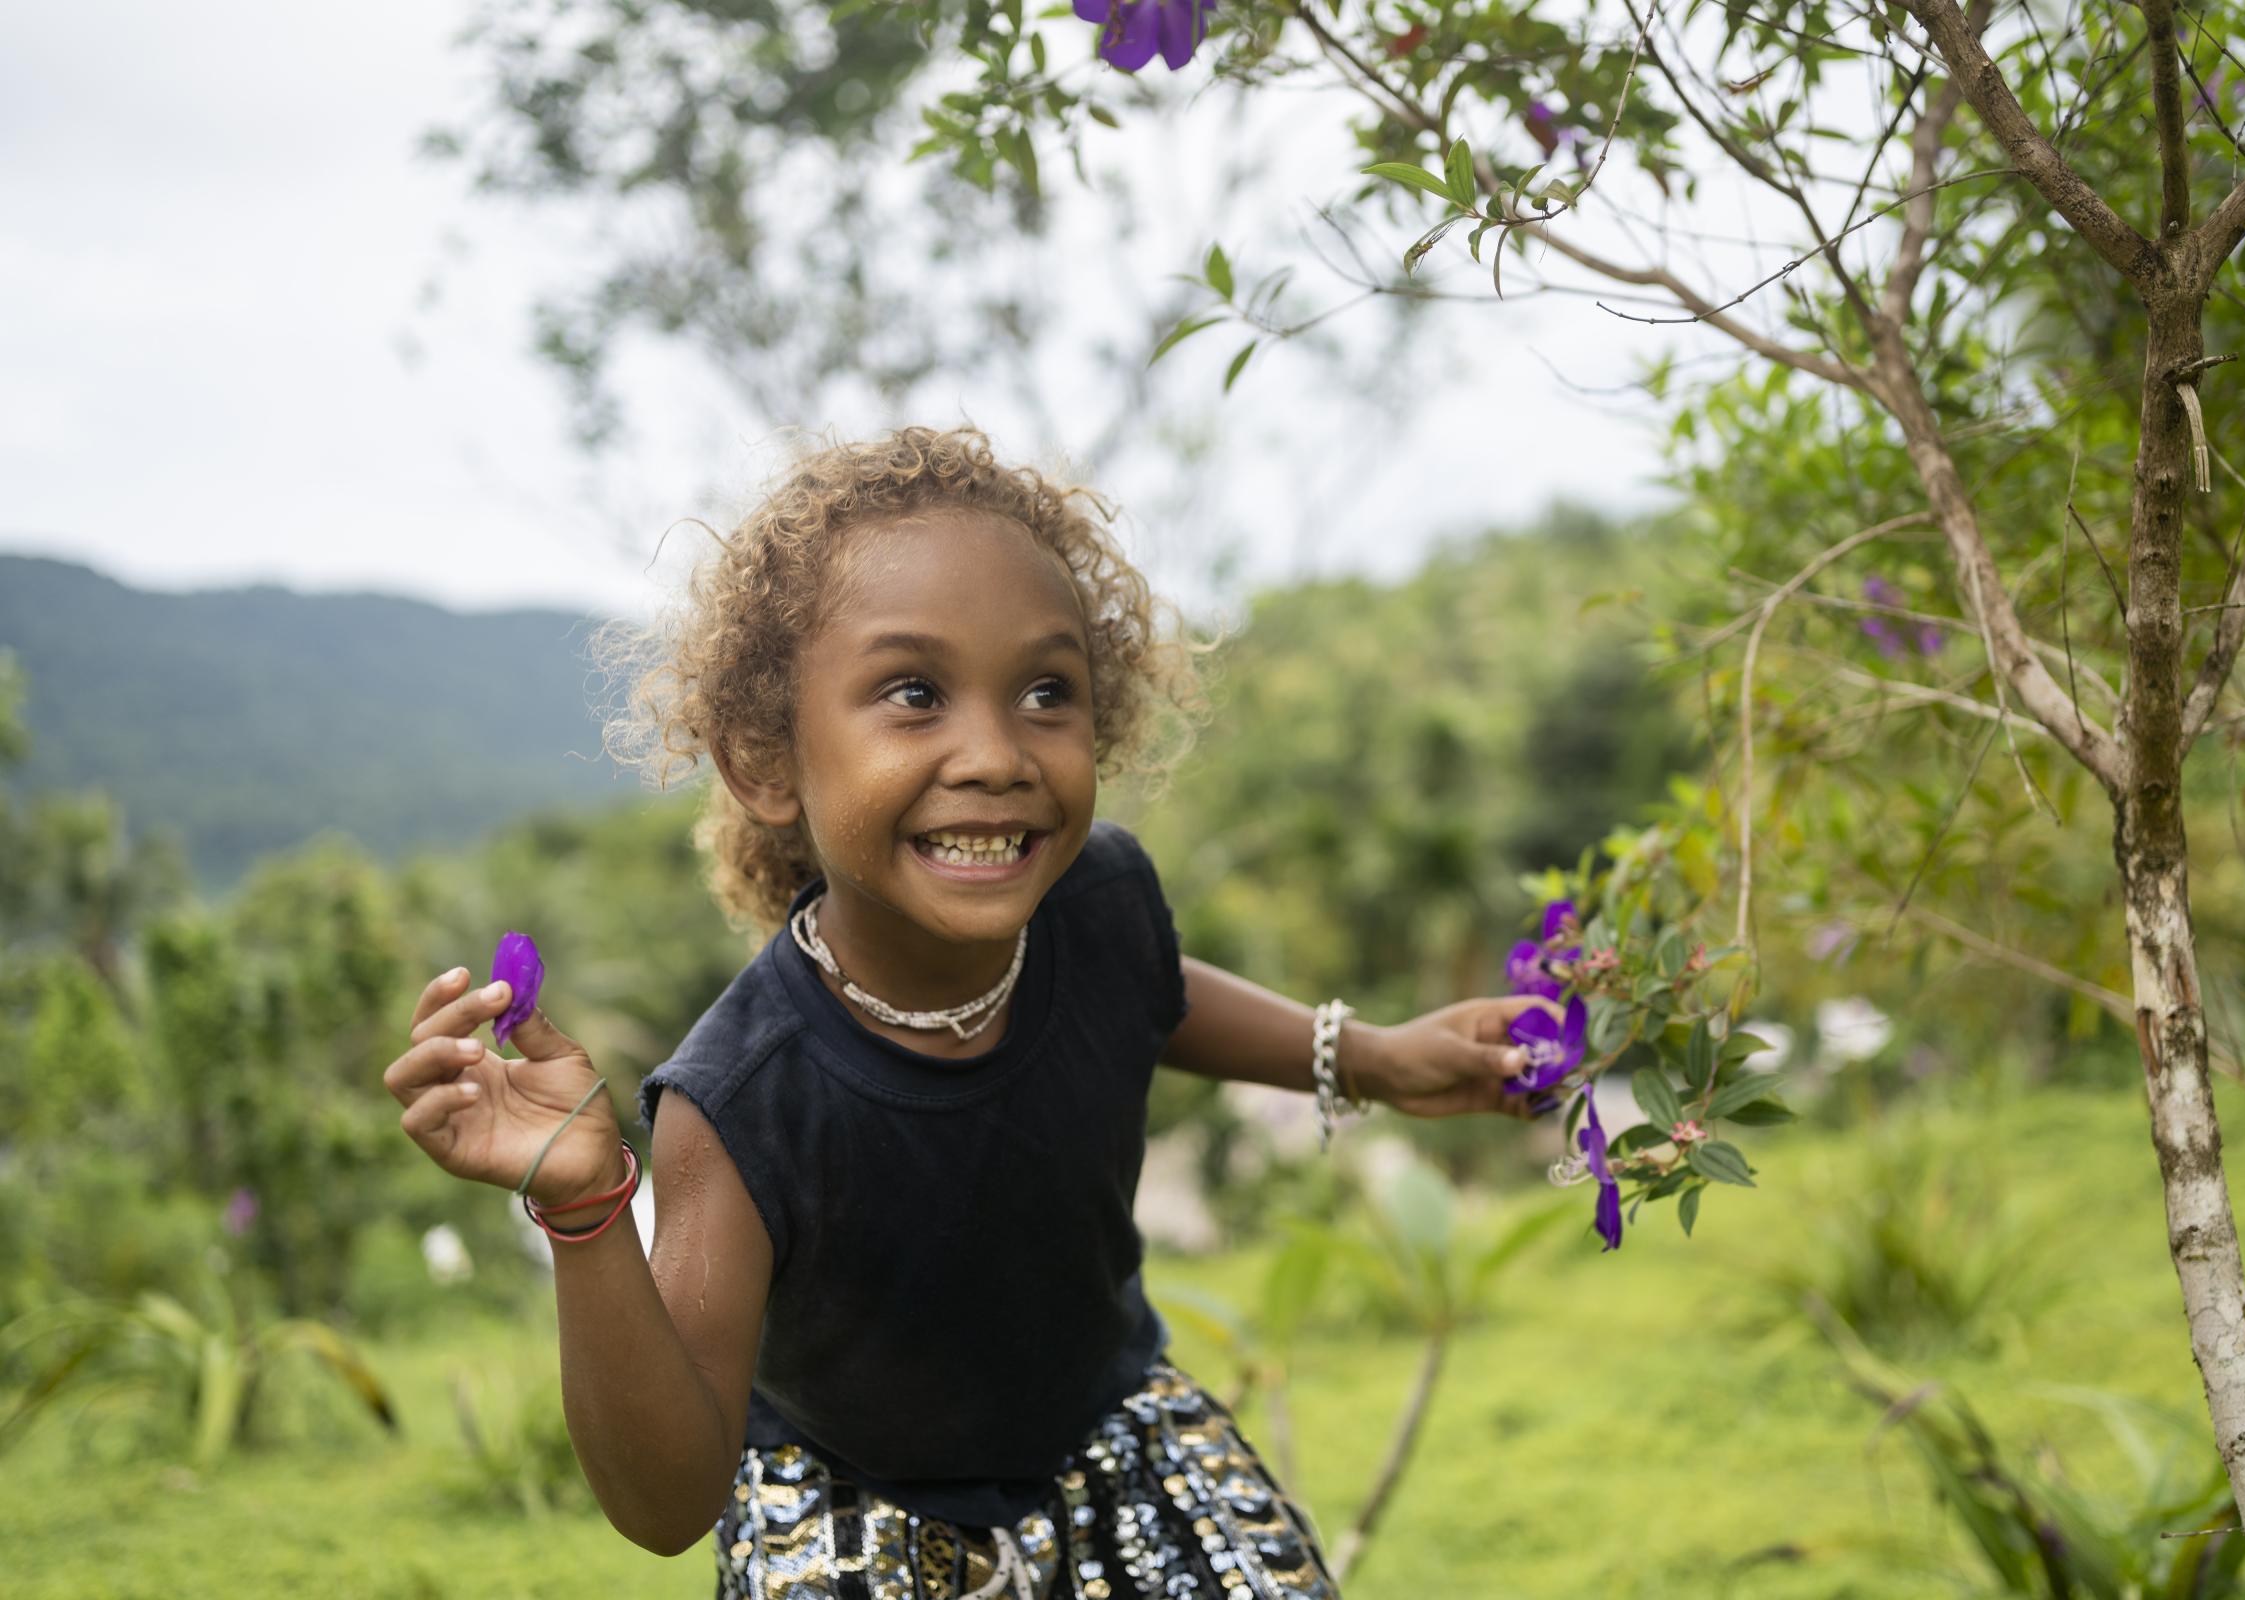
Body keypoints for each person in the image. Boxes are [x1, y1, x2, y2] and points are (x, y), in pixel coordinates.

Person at [382, 425, 1554, 1599]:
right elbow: (667, 1502)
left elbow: (1154, 991)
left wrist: (1370, 1056)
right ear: (765, 757)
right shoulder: (742, 1104)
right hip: (859, 1510)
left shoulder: (1097, 899)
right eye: (913, 694)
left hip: (1113, 1445)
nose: (994, 752)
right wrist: (585, 1208)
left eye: (1047, 691)